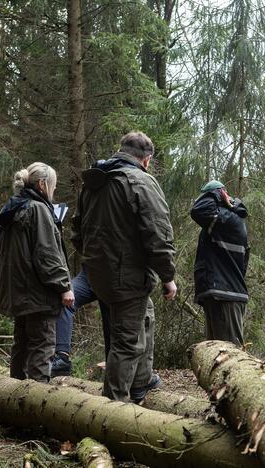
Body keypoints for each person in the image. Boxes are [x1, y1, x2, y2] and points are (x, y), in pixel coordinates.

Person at [72, 131, 177, 403]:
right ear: (146, 159)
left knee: (145, 313)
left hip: (100, 274)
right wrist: (168, 277)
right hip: (126, 276)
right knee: (127, 343)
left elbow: (77, 231)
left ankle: (142, 381)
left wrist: (97, 262)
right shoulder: (141, 182)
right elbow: (158, 235)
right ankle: (112, 406)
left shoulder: (95, 182)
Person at [0, 162, 74, 383]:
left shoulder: (11, 208)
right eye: (53, 186)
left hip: (18, 292)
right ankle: (35, 404)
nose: (54, 191)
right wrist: (63, 286)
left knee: (21, 345)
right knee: (42, 346)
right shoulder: (38, 209)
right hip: (38, 294)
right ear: (42, 184)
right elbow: (47, 254)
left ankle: (13, 398)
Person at [190, 180, 250, 345]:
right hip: (223, 293)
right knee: (218, 356)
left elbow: (199, 209)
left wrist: (217, 192)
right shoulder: (228, 220)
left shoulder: (227, 219)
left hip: (226, 295)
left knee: (231, 357)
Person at [51, 266, 110, 377]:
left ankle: (115, 371)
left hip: (114, 278)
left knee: (112, 326)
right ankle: (62, 359)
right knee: (64, 297)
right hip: (90, 273)